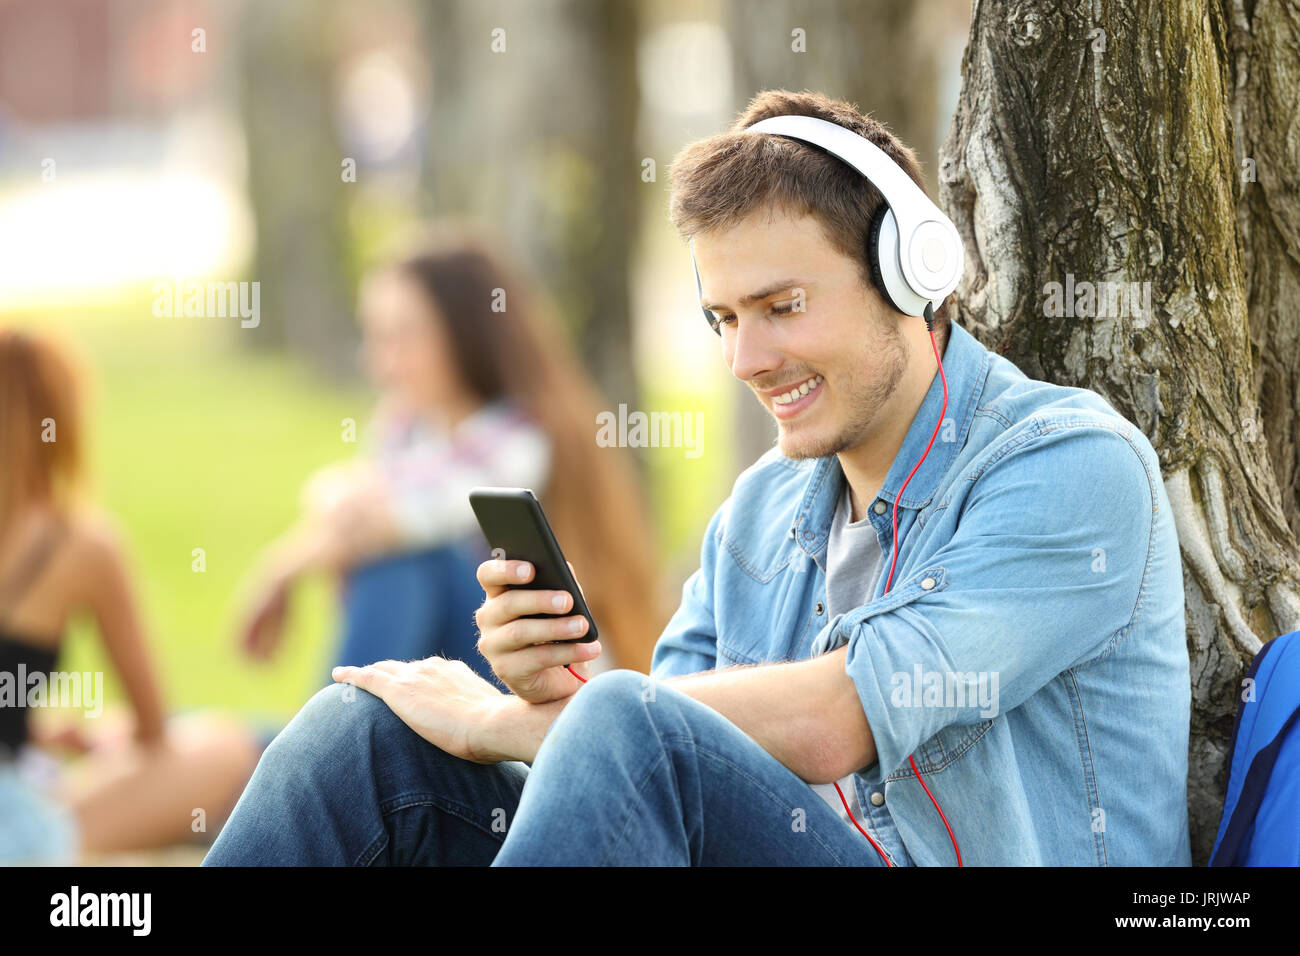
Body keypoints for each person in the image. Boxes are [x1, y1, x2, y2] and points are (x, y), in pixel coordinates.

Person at [204, 90, 1192, 867]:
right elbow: (651, 750)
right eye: (723, 318)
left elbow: (832, 716)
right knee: (363, 733)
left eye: (781, 305)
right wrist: (558, 688)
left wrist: (511, 720)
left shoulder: (1068, 466)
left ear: (908, 274)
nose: (746, 359)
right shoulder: (762, 509)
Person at [236, 227, 667, 683]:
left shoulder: (524, 438)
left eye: (405, 336)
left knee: (411, 558)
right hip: (457, 680)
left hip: (549, 688)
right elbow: (340, 495)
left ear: (465, 333)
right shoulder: (411, 430)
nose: (382, 361)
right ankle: (333, 736)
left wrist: (280, 570)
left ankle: (331, 737)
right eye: (377, 337)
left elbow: (402, 520)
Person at [0, 328, 260, 864]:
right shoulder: (79, 544)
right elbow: (151, 727)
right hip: (15, 827)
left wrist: (36, 730)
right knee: (220, 747)